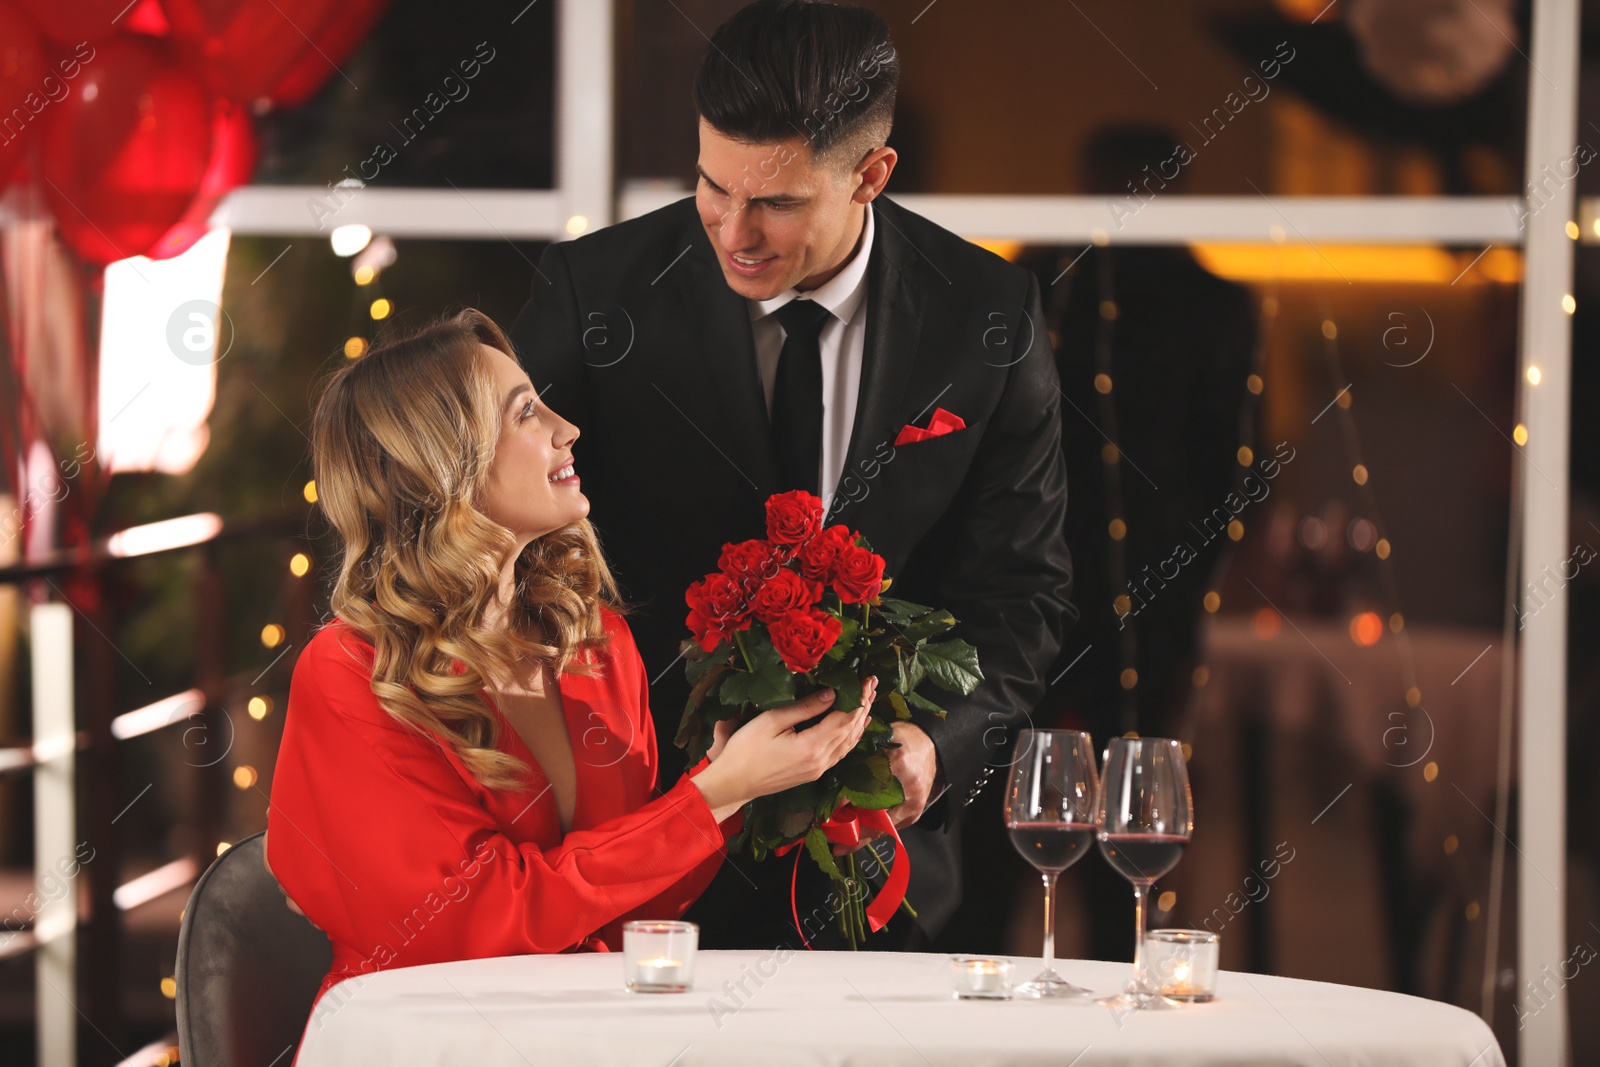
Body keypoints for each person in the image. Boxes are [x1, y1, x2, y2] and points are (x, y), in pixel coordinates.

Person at [510, 0, 1073, 949]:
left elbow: (1024, 595)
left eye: (775, 202)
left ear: (872, 175)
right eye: (712, 185)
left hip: (877, 874)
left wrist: (938, 742)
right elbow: (495, 539)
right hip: (640, 860)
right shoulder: (594, 295)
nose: (734, 231)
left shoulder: (990, 318)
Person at [264, 309, 877, 1019]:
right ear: (441, 461)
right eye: (525, 412)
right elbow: (469, 924)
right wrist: (707, 798)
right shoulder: (351, 671)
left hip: (575, 1031)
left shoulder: (591, 639)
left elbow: (623, 909)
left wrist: (737, 789)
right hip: (423, 1039)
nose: (566, 427)